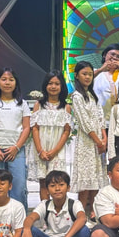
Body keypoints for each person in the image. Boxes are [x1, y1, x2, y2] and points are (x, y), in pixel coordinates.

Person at [0, 67, 31, 208]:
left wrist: (16, 147)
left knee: (19, 187)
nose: (7, 83)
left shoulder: (22, 104)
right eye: (4, 79)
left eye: (11, 79)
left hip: (16, 151)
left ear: (16, 83)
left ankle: (19, 216)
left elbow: (26, 128)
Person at [70, 61, 108, 221]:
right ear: (77, 76)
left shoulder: (92, 95)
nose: (87, 77)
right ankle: (81, 214)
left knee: (96, 178)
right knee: (85, 180)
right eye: (84, 74)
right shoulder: (77, 96)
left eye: (90, 74)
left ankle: (93, 211)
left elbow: (100, 117)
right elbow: (84, 122)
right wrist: (98, 141)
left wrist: (104, 137)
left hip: (98, 142)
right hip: (86, 142)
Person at [28, 70, 73, 201]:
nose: (53, 86)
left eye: (57, 84)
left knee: (57, 181)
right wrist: (40, 150)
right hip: (41, 149)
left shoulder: (66, 107)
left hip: (57, 149)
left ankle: (58, 209)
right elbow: (35, 128)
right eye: (50, 83)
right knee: (43, 182)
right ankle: (45, 210)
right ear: (45, 85)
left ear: (61, 86)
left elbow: (66, 131)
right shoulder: (38, 105)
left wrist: (54, 151)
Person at [93, 43, 119, 110]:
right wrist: (101, 69)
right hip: (98, 112)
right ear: (104, 55)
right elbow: (84, 80)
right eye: (112, 54)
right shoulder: (96, 72)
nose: (114, 58)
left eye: (118, 57)